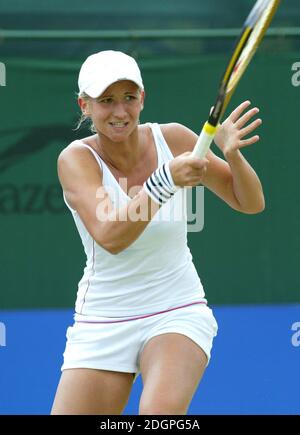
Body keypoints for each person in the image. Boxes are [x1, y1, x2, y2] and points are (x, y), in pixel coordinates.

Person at [51, 50, 264, 415]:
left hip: (176, 308)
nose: (120, 112)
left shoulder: (176, 139)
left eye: (129, 98)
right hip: (103, 318)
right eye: (106, 101)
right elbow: (111, 236)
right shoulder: (75, 160)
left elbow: (249, 202)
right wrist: (164, 181)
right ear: (84, 105)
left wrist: (233, 155)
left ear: (143, 99)